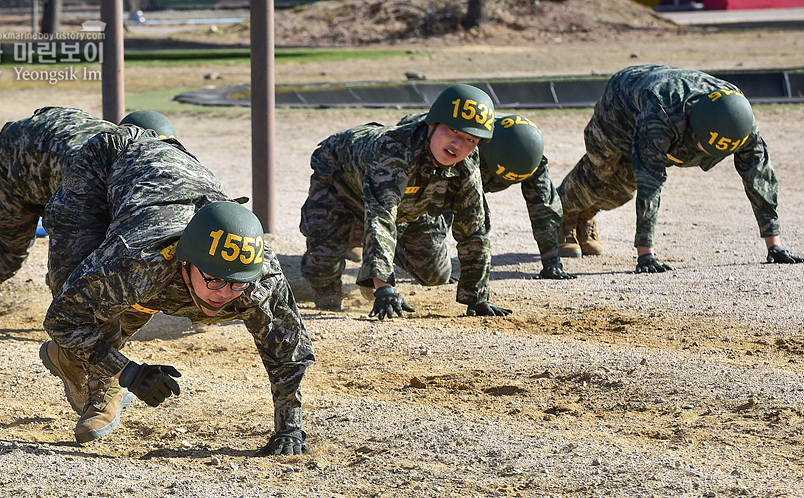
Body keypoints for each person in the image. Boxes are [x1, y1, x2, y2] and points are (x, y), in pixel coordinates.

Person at [39, 131, 314, 455]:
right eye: (213, 279)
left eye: (236, 283)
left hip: (181, 178)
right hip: (108, 165)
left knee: (132, 295)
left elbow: (286, 349)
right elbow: (63, 318)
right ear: (185, 264)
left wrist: (290, 428)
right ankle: (89, 376)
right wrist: (128, 372)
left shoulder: (258, 278)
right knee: (75, 281)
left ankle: (88, 363)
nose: (224, 293)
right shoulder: (141, 259)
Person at [0, 107, 177, 325]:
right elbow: (68, 256)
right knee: (12, 249)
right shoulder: (92, 172)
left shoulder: (138, 163)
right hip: (17, 163)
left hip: (52, 151)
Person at [557, 64, 804, 271]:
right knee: (599, 172)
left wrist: (775, 245)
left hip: (662, 102)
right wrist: (646, 254)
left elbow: (759, 177)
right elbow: (650, 180)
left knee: (623, 187)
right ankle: (563, 219)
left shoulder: (740, 123)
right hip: (620, 106)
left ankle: (586, 215)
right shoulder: (662, 112)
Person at [299, 83, 512, 319]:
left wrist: (477, 296)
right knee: (322, 270)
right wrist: (385, 288)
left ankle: (371, 264)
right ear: (432, 124)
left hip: (404, 206)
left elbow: (475, 229)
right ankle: (339, 274)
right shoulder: (393, 151)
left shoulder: (467, 162)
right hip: (339, 178)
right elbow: (381, 216)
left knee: (435, 274)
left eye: (471, 139)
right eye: (452, 131)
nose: (458, 145)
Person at [396, 111, 575, 280]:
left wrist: (552, 262)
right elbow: (436, 204)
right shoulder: (460, 145)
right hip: (421, 147)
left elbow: (544, 207)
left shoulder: (530, 156)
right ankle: (388, 251)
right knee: (426, 244)